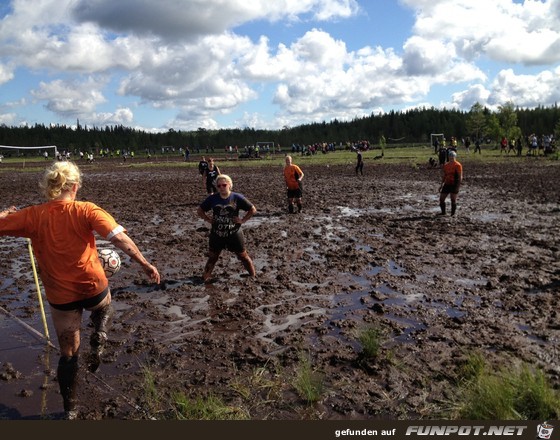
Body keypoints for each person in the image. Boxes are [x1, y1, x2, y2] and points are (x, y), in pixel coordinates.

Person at [0, 161, 161, 420]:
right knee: (105, 303)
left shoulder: (32, 215)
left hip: (61, 296)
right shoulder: (87, 209)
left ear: (50, 186)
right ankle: (100, 332)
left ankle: (70, 409)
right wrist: (144, 263)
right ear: (75, 186)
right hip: (92, 285)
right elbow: (119, 238)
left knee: (69, 355)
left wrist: (6, 215)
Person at [197, 174, 256, 283]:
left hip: (234, 233)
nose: (221, 188)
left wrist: (242, 220)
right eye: (218, 186)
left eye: (224, 185)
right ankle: (204, 279)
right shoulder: (212, 198)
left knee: (243, 256)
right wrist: (208, 219)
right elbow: (200, 210)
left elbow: (252, 209)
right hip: (217, 233)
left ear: (229, 185)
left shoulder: (237, 198)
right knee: (212, 257)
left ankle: (253, 276)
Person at [439, 150, 463, 216]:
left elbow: (460, 176)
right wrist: (441, 185)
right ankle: (443, 212)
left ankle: (452, 214)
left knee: (453, 199)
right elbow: (444, 175)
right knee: (441, 198)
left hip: (454, 184)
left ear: (455, 157)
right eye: (450, 157)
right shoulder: (446, 165)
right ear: (448, 157)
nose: (451, 159)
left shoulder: (458, 165)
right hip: (447, 183)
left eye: (453, 157)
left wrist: (458, 185)